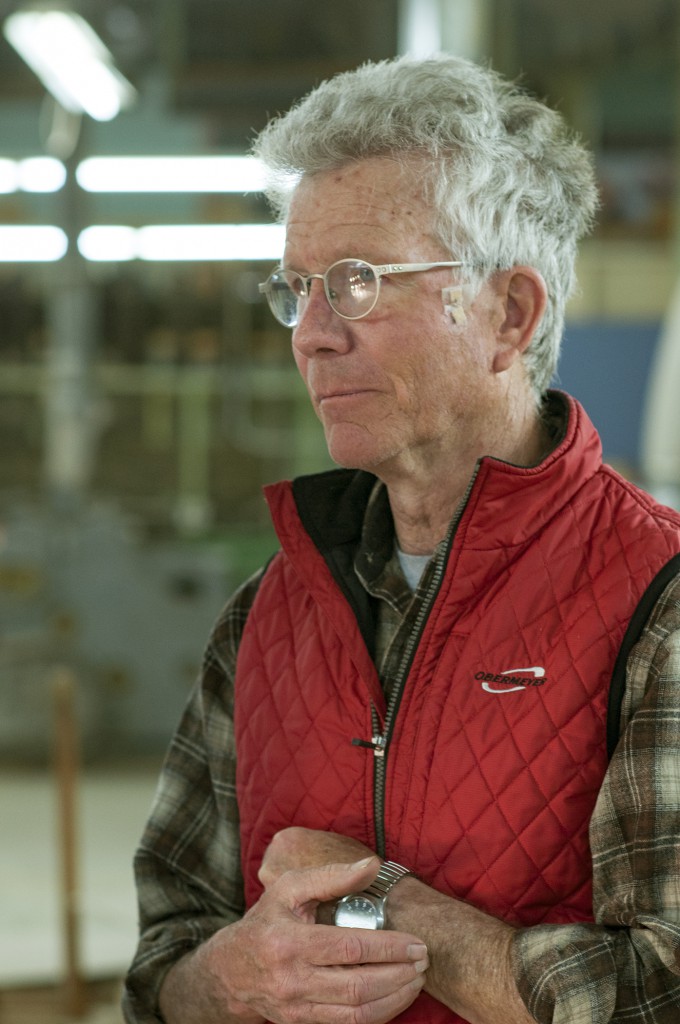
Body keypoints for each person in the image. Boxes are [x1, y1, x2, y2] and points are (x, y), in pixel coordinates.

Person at [123, 54, 680, 1024]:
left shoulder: (657, 599)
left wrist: (372, 900)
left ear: (508, 314)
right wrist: (225, 978)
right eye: (295, 287)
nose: (309, 332)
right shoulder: (266, 610)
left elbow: (660, 988)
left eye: (356, 280)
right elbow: (163, 957)